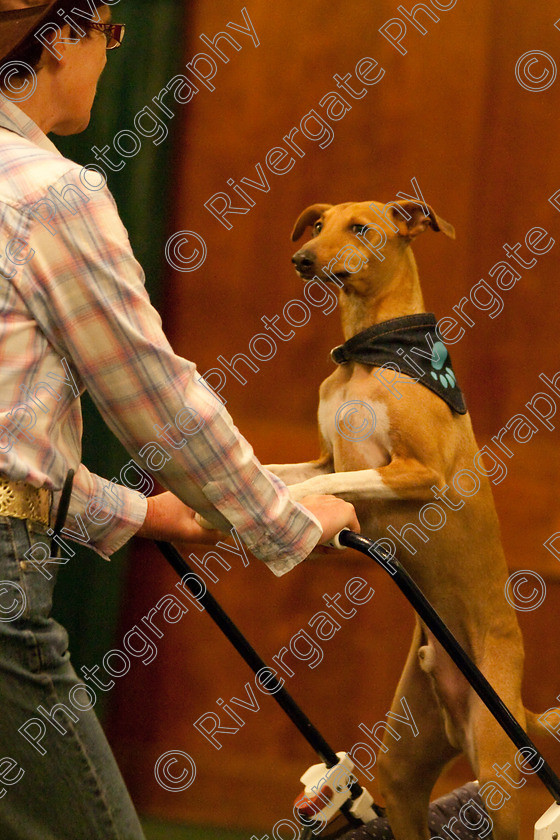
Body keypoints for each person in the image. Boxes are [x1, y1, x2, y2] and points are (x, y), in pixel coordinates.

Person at [0, 2, 360, 838]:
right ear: (58, 36)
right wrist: (282, 522)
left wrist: (143, 510)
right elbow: (156, 399)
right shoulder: (48, 194)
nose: (107, 55)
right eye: (108, 32)